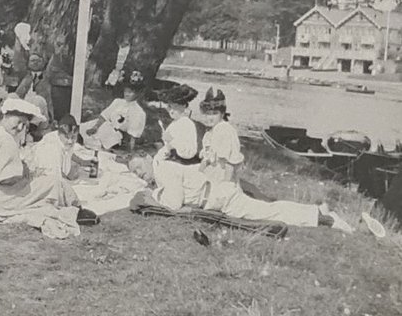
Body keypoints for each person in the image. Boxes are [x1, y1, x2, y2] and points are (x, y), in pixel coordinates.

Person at [151, 87, 351, 230]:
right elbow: (208, 163)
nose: (209, 117)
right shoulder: (213, 131)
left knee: (267, 212)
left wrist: (217, 190)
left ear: (222, 113)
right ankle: (316, 210)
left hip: (224, 190)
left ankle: (323, 218)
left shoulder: (224, 131)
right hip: (216, 187)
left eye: (214, 113)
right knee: (266, 208)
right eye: (207, 113)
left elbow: (227, 169)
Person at [0, 98, 89, 239]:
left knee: (42, 183)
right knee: (51, 182)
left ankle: (72, 205)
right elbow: (6, 178)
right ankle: (75, 208)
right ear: (6, 115)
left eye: (24, 125)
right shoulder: (6, 139)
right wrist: (24, 172)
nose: (20, 128)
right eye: (18, 122)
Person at [150, 84, 205, 210]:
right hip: (172, 163)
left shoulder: (187, 124)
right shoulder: (175, 123)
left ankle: (168, 195)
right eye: (169, 107)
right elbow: (169, 147)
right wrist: (166, 148)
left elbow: (189, 152)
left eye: (175, 107)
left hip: (181, 167)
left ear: (184, 107)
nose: (171, 111)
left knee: (172, 202)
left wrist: (172, 142)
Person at [81, 70, 146, 152]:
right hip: (105, 126)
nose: (126, 94)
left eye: (130, 92)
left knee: (99, 140)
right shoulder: (118, 102)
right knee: (83, 128)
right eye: (125, 91)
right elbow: (104, 116)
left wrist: (130, 150)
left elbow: (132, 135)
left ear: (137, 93)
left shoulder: (138, 112)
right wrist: (95, 127)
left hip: (117, 135)